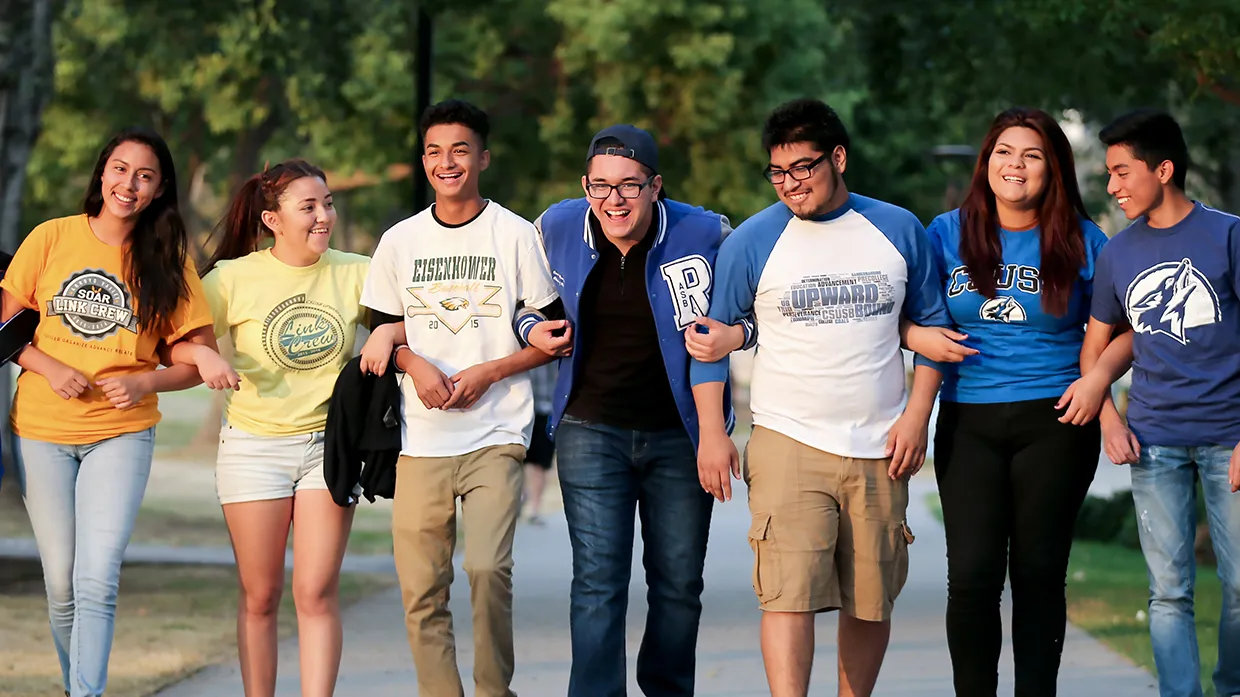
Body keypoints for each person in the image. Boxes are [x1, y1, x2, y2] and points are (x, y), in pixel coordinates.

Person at [689, 98, 948, 697]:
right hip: (787, 439)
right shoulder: (752, 240)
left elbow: (933, 333)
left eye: (802, 168)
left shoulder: (898, 228)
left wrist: (917, 418)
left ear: (838, 158)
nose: (790, 185)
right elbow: (709, 344)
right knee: (787, 594)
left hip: (881, 443)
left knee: (870, 597)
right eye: (777, 172)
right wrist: (713, 433)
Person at [517, 124, 748, 697]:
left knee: (677, 584)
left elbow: (752, 315)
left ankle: (667, 688)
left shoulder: (708, 233)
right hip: (589, 430)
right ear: (584, 187)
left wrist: (736, 336)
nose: (613, 201)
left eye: (629, 186)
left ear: (655, 187)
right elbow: (522, 305)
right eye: (600, 187)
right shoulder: (556, 227)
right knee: (597, 583)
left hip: (681, 434)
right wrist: (533, 329)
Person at [0, 127, 218, 697]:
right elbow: (3, 329)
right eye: (120, 169)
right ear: (102, 173)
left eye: (144, 176)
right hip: (43, 430)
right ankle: (78, 688)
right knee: (61, 586)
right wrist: (48, 367)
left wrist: (148, 380)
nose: (129, 184)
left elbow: (197, 361)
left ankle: (87, 694)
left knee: (97, 580)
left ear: (158, 188)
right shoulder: (50, 238)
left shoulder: (168, 261)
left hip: (120, 435)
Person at [356, 99, 560, 697]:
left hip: (496, 431)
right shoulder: (399, 241)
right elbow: (380, 337)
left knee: (487, 568)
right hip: (420, 440)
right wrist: (413, 363)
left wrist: (489, 372)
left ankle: (496, 689)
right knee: (422, 589)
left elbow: (552, 339)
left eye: (461, 150)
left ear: (483, 158)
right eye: (435, 152)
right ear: (424, 161)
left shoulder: (517, 235)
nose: (448, 163)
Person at [917, 107, 1116, 697]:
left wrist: (1098, 379)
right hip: (968, 418)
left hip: (1055, 421)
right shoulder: (945, 232)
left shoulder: (1084, 239)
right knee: (973, 579)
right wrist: (915, 338)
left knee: (1037, 577)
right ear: (987, 162)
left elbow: (1126, 326)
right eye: (1005, 151)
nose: (1016, 165)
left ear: (1053, 169)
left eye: (1032, 155)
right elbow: (910, 316)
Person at [168, 159, 370, 697]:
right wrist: (201, 355)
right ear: (272, 219)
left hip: (329, 448)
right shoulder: (233, 278)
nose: (324, 215)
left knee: (316, 591)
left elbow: (400, 321)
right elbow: (174, 336)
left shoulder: (358, 270)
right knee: (260, 595)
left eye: (327, 203)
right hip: (253, 448)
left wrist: (387, 335)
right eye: (308, 207)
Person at [1070, 108, 1240, 697]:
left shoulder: (1228, 235)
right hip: (1155, 441)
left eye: (1121, 171)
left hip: (1229, 438)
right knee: (1168, 591)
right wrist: (1108, 422)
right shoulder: (1118, 254)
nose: (1112, 185)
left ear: (1163, 169)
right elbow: (1094, 349)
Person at [521, 360, 558, 524]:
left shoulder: (557, 347)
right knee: (520, 460)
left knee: (541, 463)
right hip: (523, 409)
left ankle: (534, 508)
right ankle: (521, 500)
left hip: (547, 410)